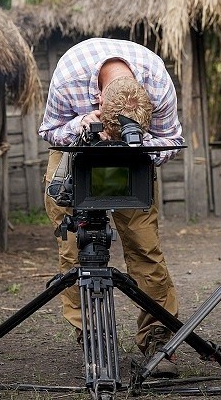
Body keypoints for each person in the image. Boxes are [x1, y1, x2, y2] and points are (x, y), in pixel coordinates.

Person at [38, 37, 183, 377]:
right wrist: (83, 125)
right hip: (76, 151)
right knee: (76, 248)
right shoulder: (69, 76)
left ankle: (158, 339)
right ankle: (90, 335)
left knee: (144, 246)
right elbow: (49, 131)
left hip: (135, 156)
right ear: (99, 97)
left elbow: (172, 138)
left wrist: (142, 147)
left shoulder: (158, 82)